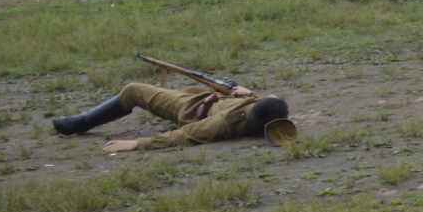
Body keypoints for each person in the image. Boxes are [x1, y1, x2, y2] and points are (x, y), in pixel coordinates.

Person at [52, 83, 295, 151]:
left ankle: (82, 123)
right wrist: (250, 94)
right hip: (208, 101)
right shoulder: (263, 116)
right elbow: (265, 109)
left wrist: (139, 143)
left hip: (190, 110)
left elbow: (187, 134)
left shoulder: (226, 122)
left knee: (133, 90)